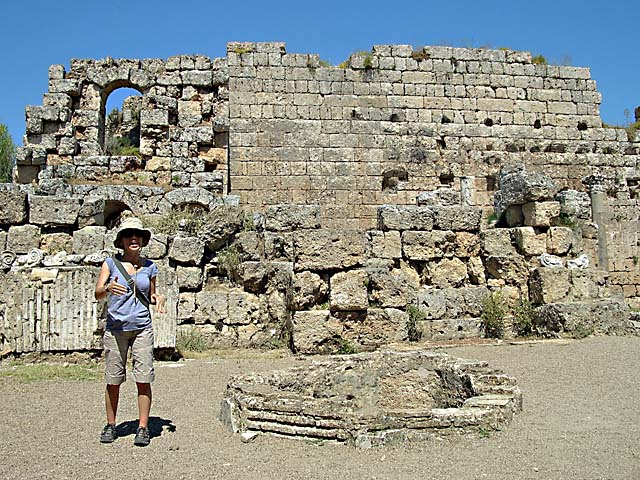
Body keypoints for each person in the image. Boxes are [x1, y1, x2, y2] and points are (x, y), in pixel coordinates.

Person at [94, 216, 166, 446]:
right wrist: (107, 288)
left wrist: (158, 298)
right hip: (116, 329)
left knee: (144, 379)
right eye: (128, 235)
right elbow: (97, 293)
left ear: (143, 240)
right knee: (113, 380)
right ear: (122, 241)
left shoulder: (150, 267)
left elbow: (151, 294)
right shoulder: (110, 263)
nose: (133, 238)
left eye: (137, 234)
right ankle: (111, 424)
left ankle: (143, 427)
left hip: (142, 327)